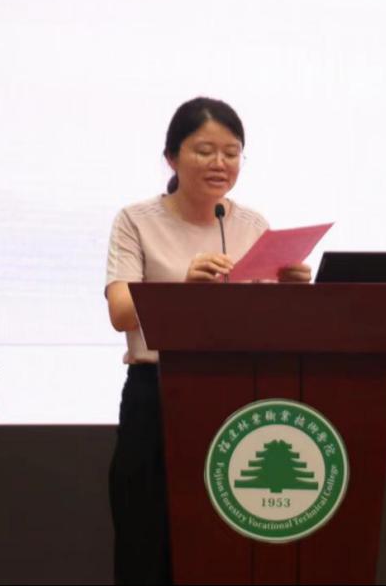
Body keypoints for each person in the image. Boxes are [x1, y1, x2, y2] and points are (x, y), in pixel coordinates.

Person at [103, 97, 310, 584]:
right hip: (157, 394)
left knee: (225, 546)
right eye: (204, 151)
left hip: (237, 398)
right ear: (171, 158)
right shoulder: (136, 220)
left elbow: (267, 324)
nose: (220, 163)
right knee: (147, 539)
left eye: (231, 153)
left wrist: (294, 292)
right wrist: (183, 287)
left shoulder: (251, 226)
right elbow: (119, 312)